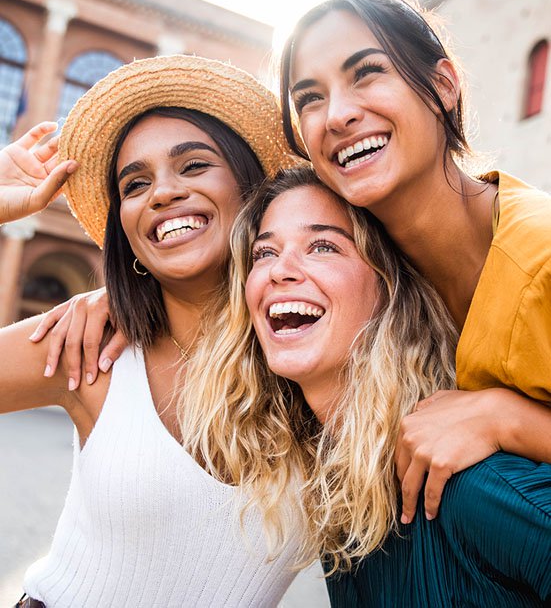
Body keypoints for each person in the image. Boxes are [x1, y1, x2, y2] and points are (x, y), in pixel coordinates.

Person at [0, 54, 302, 608]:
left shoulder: (317, 357)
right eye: (134, 184)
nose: (162, 193)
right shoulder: (88, 351)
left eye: (193, 166)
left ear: (252, 189)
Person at [184, 165, 549, 606]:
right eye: (264, 254)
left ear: (390, 288)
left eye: (322, 246)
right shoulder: (342, 493)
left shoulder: (468, 486)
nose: (281, 270)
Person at [278, 0, 551, 524]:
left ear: (443, 87)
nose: (337, 115)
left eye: (367, 72)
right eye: (309, 98)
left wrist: (507, 418)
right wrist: (126, 302)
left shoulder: (541, 261)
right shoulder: (363, 268)